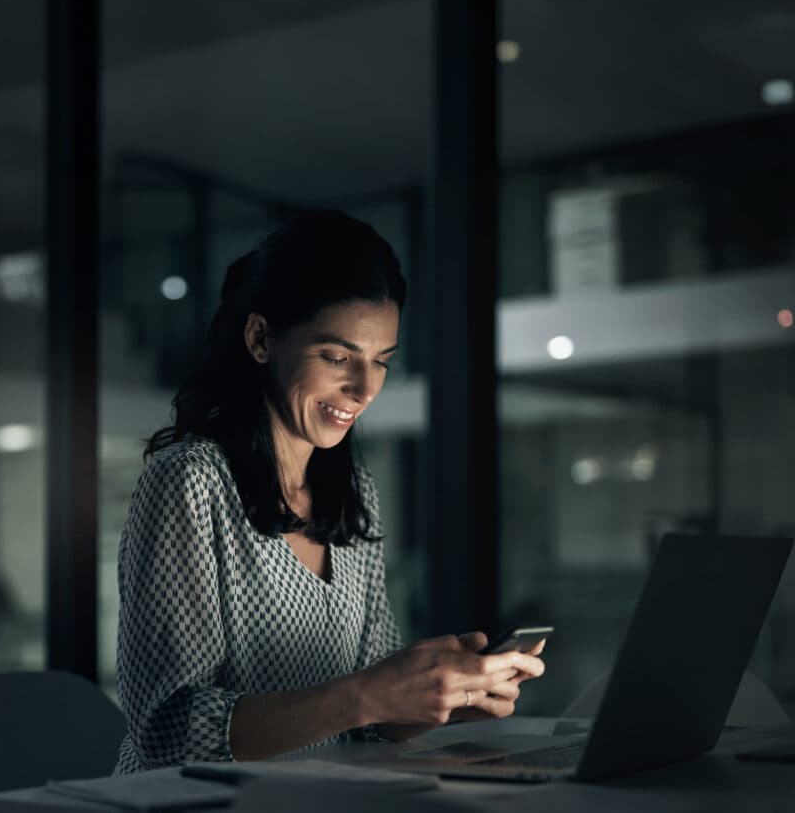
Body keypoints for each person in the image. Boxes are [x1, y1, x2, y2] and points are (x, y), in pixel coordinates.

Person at [114, 211, 543, 771]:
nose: (364, 388)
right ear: (261, 339)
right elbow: (169, 734)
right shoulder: (190, 482)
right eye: (338, 358)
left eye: (381, 362)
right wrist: (368, 693)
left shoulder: (352, 491)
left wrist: (446, 697)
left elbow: (363, 722)